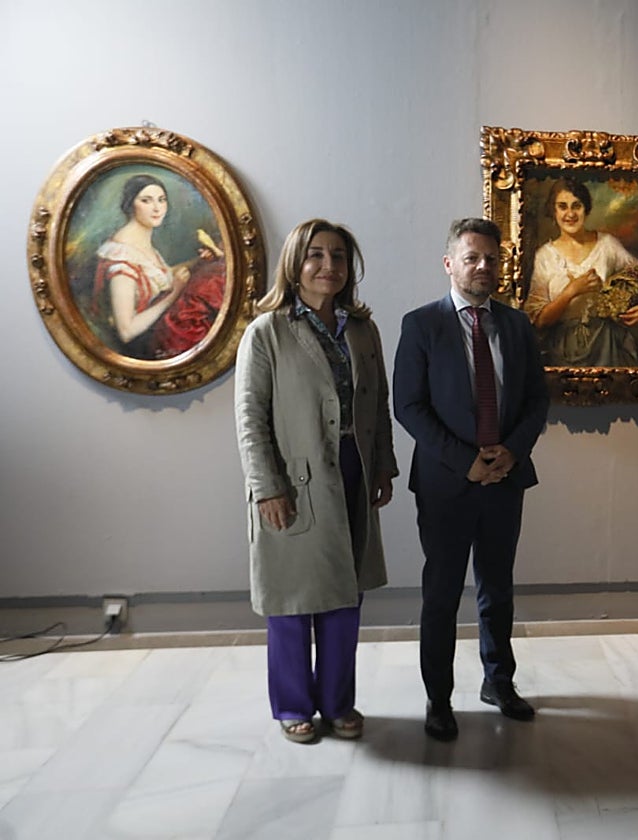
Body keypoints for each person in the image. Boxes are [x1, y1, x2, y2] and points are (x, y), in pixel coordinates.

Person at [234, 219, 398, 744]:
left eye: (340, 257)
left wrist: (381, 466)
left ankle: (337, 701)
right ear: (295, 263)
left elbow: (379, 405)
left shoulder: (362, 330)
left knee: (343, 594)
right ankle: (292, 705)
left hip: (353, 470)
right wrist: (267, 486)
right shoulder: (268, 331)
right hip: (294, 479)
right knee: (293, 597)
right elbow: (250, 418)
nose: (329, 266)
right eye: (317, 256)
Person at [394, 217, 550, 742]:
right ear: (450, 264)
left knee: (497, 589)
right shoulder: (421, 325)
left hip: (506, 478)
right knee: (440, 594)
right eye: (472, 258)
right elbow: (408, 406)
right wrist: (465, 460)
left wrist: (511, 451)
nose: (483, 267)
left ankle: (498, 682)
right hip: (446, 482)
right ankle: (439, 698)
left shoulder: (517, 325)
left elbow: (535, 401)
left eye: (491, 258)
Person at [525, 176, 638, 366]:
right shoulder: (545, 256)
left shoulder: (607, 245)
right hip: (562, 349)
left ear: (586, 209)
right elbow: (540, 321)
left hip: (607, 345)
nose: (570, 214)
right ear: (553, 210)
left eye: (576, 206)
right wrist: (571, 291)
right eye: (562, 206)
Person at [93, 174, 222, 359]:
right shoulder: (120, 260)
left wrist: (199, 261)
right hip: (142, 348)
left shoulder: (139, 242)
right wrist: (174, 294)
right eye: (146, 200)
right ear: (130, 205)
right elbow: (126, 331)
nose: (157, 208)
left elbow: (160, 277)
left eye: (161, 200)